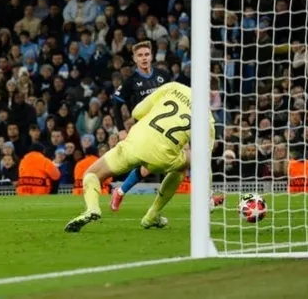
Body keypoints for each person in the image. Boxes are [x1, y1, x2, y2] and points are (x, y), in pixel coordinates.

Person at [65, 82, 223, 232]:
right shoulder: (208, 121)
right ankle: (152, 215)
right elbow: (204, 164)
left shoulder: (174, 87)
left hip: (136, 142)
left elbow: (137, 112)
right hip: (164, 157)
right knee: (185, 163)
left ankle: (92, 208)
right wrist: (207, 196)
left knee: (92, 174)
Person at [110, 41, 172, 211]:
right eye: (140, 55)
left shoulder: (163, 76)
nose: (144, 58)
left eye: (146, 54)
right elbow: (116, 105)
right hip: (146, 130)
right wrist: (121, 130)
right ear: (134, 59)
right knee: (148, 167)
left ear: (152, 56)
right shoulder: (130, 82)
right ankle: (120, 191)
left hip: (168, 125)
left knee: (188, 158)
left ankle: (207, 196)